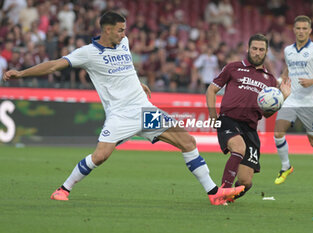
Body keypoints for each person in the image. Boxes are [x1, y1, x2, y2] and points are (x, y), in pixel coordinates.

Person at [2, 11, 244, 205]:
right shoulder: (87, 54)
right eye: (120, 29)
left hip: (144, 110)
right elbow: (54, 65)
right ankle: (63, 189)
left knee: (188, 142)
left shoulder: (124, 43)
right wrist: (21, 73)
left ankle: (214, 193)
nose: (124, 33)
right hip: (120, 115)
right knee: (100, 156)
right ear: (107, 30)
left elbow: (124, 68)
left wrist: (138, 83)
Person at [206, 34, 291, 201]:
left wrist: (282, 97)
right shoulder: (233, 68)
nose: (257, 52)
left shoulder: (270, 80)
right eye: (254, 48)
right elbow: (211, 90)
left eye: (261, 50)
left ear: (266, 52)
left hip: (250, 128)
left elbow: (267, 113)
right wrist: (212, 115)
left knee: (246, 182)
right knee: (238, 147)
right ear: (248, 49)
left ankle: (230, 197)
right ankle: (221, 194)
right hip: (228, 119)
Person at [273, 15, 313, 191]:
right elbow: (288, 67)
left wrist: (312, 81)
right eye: (298, 28)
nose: (301, 31)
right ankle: (286, 167)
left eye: (304, 28)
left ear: (309, 31)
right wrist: (283, 79)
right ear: (294, 30)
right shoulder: (288, 50)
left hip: (310, 102)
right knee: (278, 132)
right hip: (291, 99)